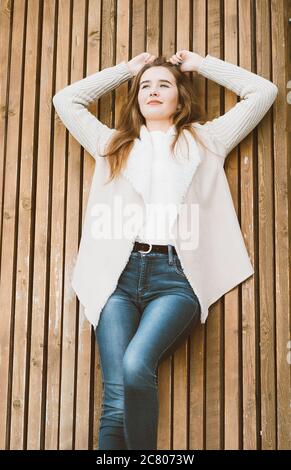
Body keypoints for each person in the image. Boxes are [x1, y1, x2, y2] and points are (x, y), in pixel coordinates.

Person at [52, 51, 278, 450]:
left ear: (180, 97)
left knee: (137, 366)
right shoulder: (111, 143)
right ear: (136, 97)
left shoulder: (206, 140)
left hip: (174, 278)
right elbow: (65, 100)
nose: (153, 90)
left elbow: (263, 92)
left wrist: (201, 65)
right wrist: (125, 70)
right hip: (116, 278)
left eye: (164, 84)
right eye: (145, 85)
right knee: (117, 400)